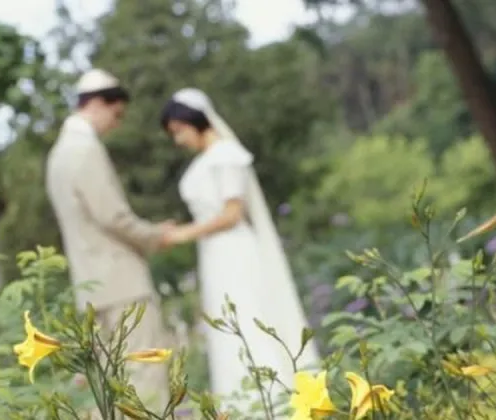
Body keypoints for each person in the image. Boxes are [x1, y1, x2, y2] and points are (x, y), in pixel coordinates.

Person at [158, 88, 321, 411]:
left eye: (179, 131)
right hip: (214, 255)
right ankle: (242, 404)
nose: (178, 140)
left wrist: (184, 234)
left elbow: (232, 213)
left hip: (235, 252)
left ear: (195, 122)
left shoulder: (227, 155)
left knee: (248, 318)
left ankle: (272, 403)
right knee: (225, 327)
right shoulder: (206, 161)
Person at [45, 68, 173, 411]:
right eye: (116, 114)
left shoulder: (57, 155)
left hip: (90, 286)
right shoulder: (84, 149)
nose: (116, 124)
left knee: (107, 386)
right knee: (144, 375)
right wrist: (155, 235)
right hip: (122, 282)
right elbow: (112, 217)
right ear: (99, 103)